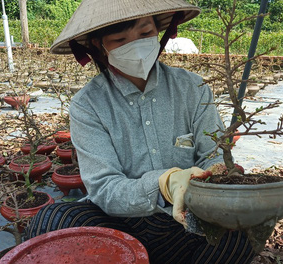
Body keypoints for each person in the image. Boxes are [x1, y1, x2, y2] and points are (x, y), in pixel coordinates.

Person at [25, 0, 256, 263]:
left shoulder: (192, 88)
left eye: (145, 34)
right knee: (55, 221)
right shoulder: (88, 105)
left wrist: (213, 179)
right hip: (120, 220)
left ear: (160, 32)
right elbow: (104, 187)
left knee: (239, 231)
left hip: (187, 217)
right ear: (98, 47)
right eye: (120, 39)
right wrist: (163, 184)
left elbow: (213, 155)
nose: (135, 46)